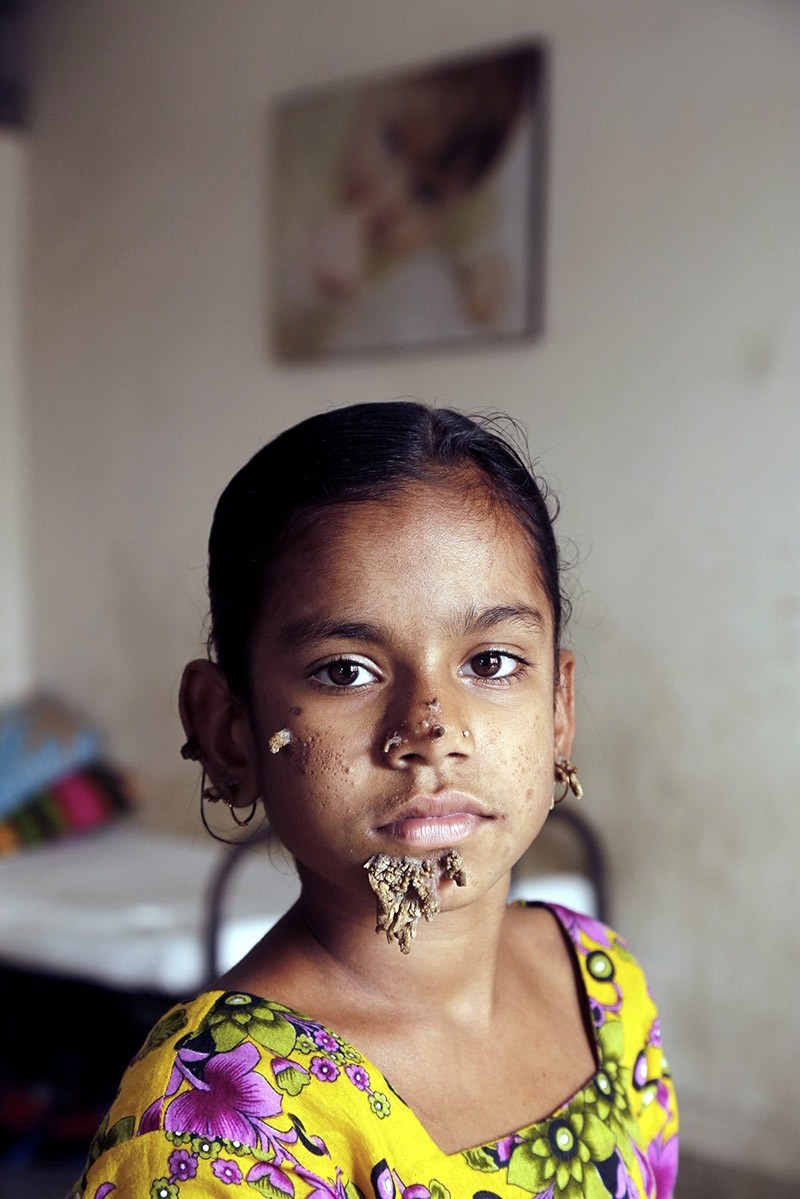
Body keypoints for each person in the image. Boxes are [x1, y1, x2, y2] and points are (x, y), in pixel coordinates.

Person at [69, 401, 679, 1199]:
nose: (429, 730)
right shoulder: (211, 1126)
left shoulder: (600, 979)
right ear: (228, 731)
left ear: (559, 709)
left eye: (491, 662)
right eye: (345, 670)